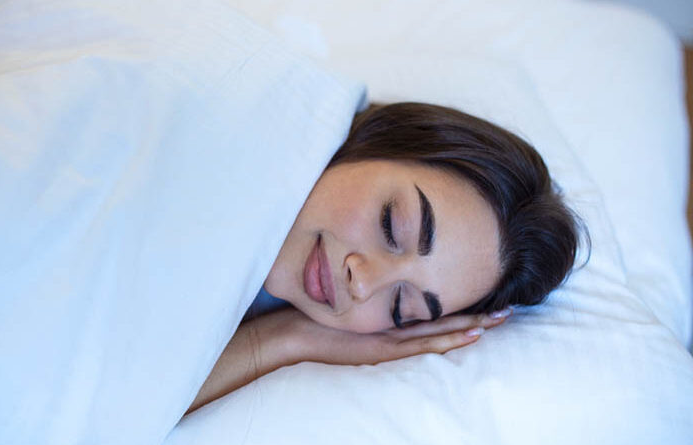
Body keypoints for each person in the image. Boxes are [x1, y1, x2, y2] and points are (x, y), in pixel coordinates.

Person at [187, 102, 583, 413]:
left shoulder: (276, 306)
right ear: (382, 139)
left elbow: (129, 402)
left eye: (399, 307)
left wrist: (284, 340)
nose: (361, 283)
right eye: (391, 226)